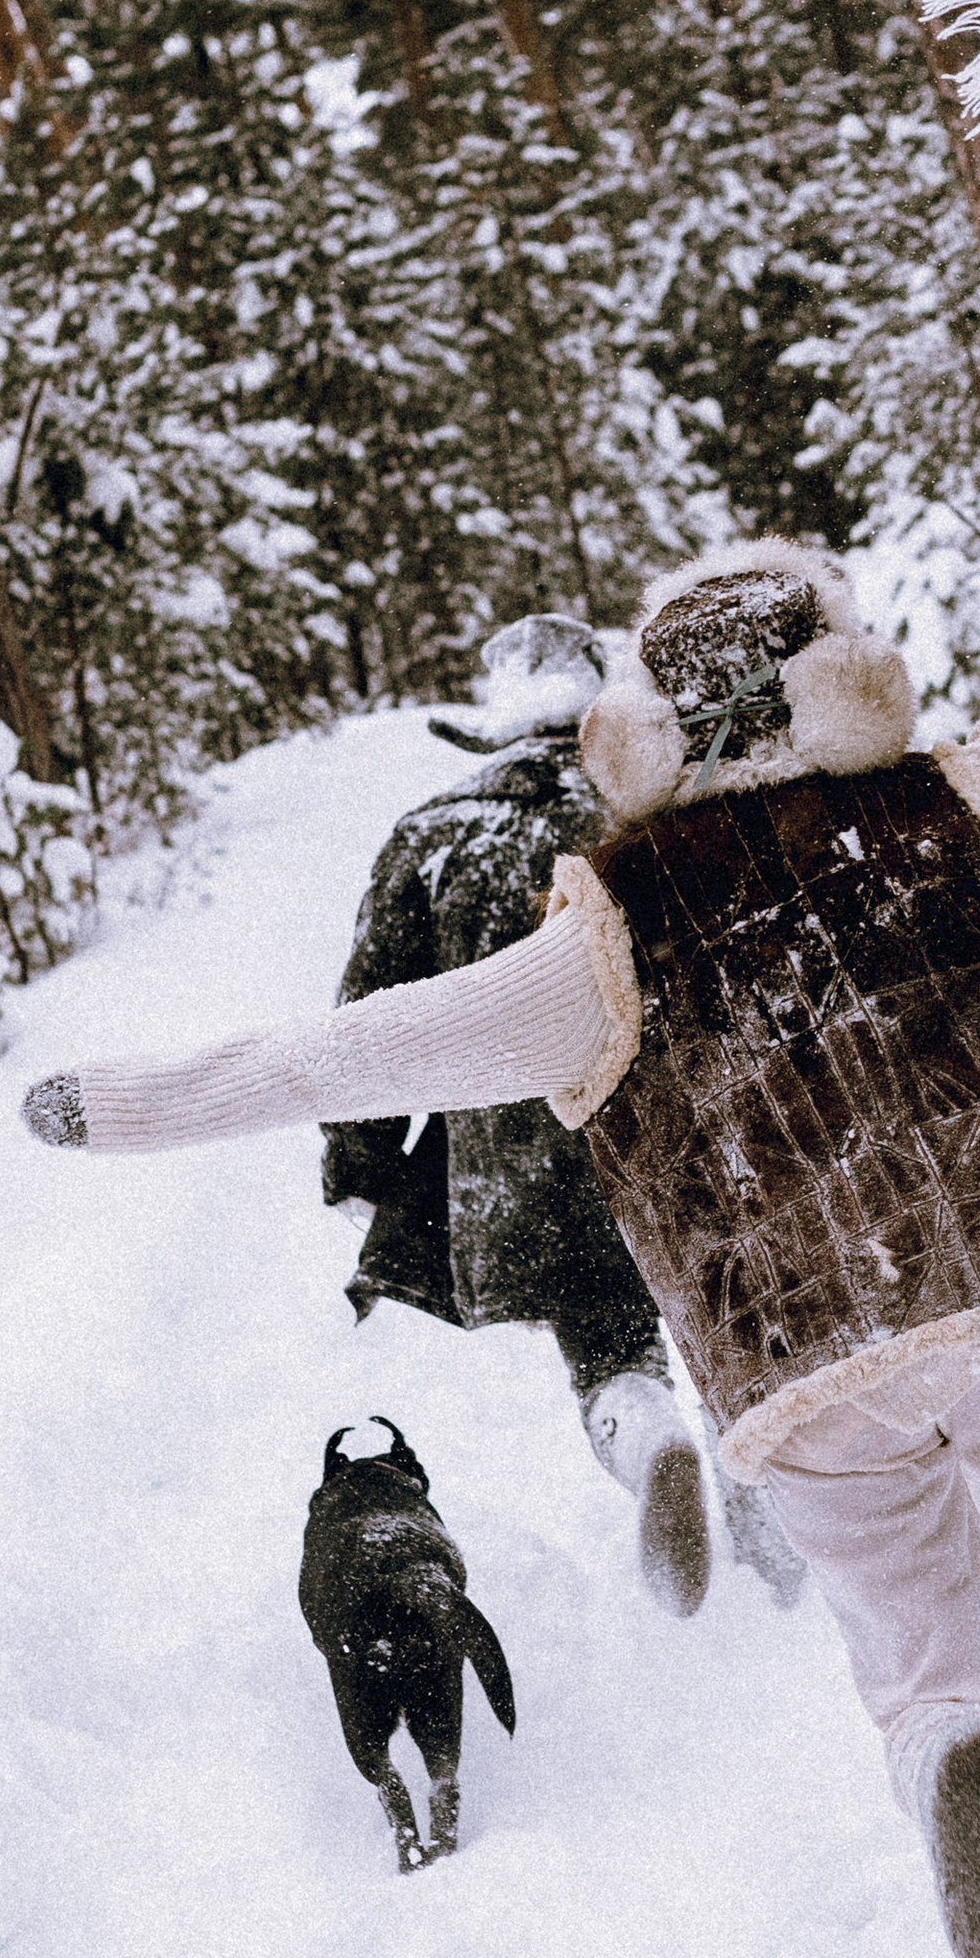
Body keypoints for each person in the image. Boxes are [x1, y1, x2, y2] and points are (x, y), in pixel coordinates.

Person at [22, 518, 980, 1958]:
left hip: (803, 1365)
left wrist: (113, 1104)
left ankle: (953, 1749)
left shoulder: (604, 937)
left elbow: (348, 1053)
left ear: (646, 733)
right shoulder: (955, 801)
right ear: (840, 682)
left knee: (921, 1654)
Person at [318, 611, 801, 1616]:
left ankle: (644, 1433)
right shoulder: (657, 804)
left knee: (605, 1339)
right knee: (736, 1322)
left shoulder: (434, 837)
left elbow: (367, 1026)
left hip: (528, 1159)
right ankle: (774, 1536)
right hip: (694, 1131)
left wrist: (359, 1166)